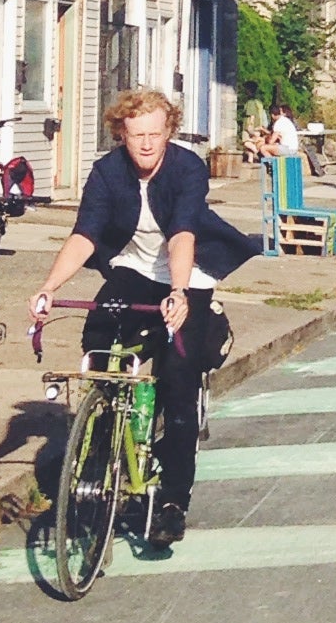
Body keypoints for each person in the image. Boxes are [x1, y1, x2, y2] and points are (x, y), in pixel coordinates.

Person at [26, 89, 251, 550]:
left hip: (187, 268)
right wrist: (50, 288)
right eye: (136, 136)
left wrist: (180, 293)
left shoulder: (186, 167)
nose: (146, 145)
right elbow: (85, 234)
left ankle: (171, 501)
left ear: (168, 132)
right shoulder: (108, 172)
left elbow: (183, 232)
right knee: (99, 335)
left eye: (155, 134)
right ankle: (107, 434)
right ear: (121, 136)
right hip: (133, 265)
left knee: (177, 375)